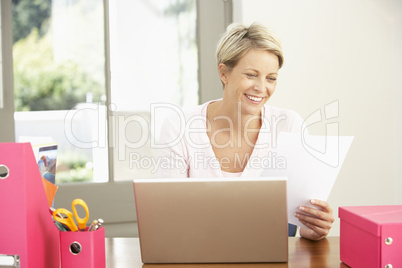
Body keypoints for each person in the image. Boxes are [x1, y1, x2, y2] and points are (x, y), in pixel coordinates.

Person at [157, 22, 334, 241]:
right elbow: (169, 219)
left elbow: (302, 222)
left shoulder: (289, 125)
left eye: (271, 78)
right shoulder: (179, 126)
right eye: (251, 75)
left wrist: (315, 228)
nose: (261, 88)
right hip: (199, 255)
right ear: (224, 73)